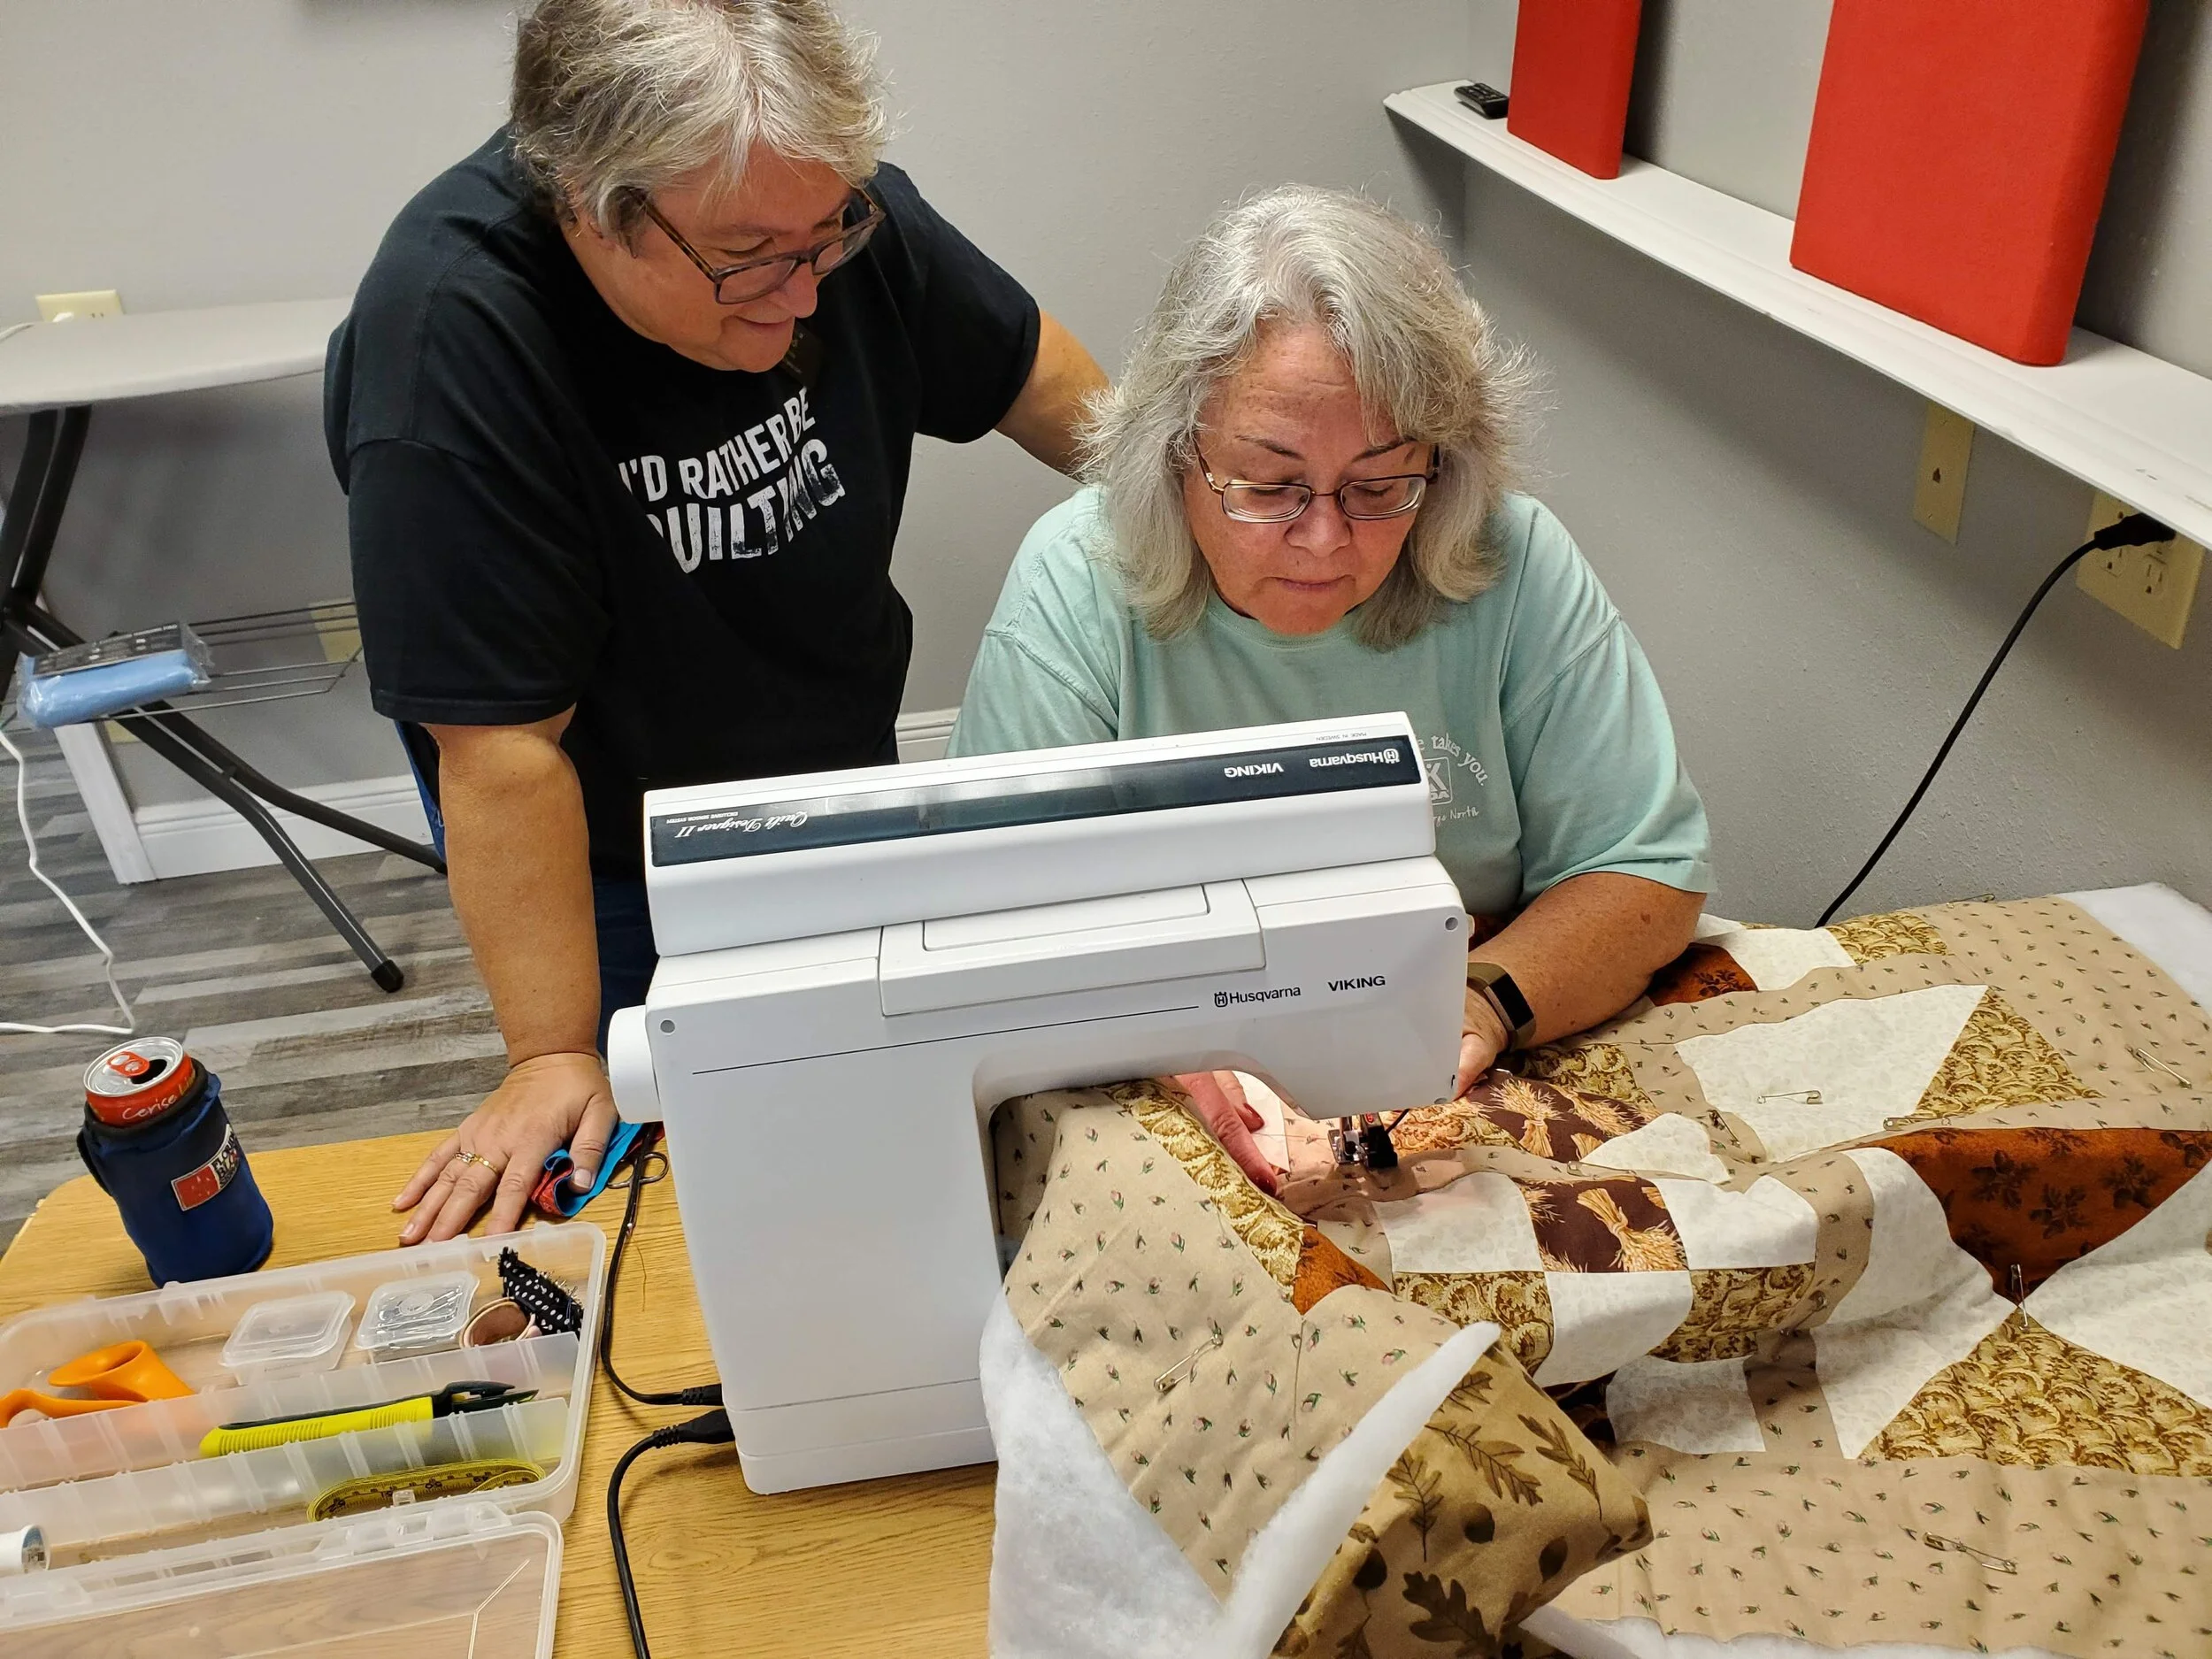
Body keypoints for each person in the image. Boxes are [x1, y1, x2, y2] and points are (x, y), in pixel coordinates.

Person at [325, 0, 1105, 1242]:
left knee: (879, 1110)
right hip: (616, 843)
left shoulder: (815, 216)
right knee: (702, 1184)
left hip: (833, 767)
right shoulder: (449, 344)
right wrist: (550, 1050)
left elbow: (1035, 377)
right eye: (750, 259)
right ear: (588, 200)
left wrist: (1218, 511)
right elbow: (500, 752)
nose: (803, 296)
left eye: (827, 237)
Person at [950, 187, 1710, 1192]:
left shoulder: (1513, 560)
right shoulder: (1076, 577)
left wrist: (1481, 1003)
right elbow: (995, 918)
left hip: (1459, 1042)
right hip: (1165, 1051)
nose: (1322, 540)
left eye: (1379, 486)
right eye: (1267, 487)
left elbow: (1644, 870)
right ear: (1173, 456)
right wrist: (1149, 1030)